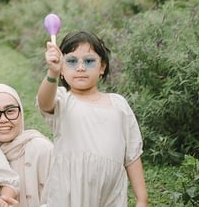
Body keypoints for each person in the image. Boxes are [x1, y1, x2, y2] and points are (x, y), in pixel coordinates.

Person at [37, 30, 148, 207]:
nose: (80, 67)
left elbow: (132, 155)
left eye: (89, 61)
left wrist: (142, 199)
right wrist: (52, 72)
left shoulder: (118, 104)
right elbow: (44, 102)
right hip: (69, 194)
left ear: (102, 67)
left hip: (110, 195)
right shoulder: (62, 100)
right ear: (63, 70)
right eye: (71, 61)